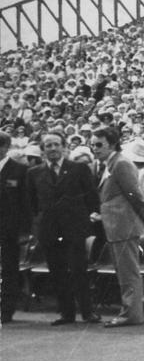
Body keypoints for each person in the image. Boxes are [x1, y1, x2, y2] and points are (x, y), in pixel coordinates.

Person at [27, 130, 101, 325]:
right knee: (57, 272)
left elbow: (91, 197)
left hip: (74, 228)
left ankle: (87, 312)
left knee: (79, 271)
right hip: (49, 230)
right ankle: (66, 314)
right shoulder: (34, 173)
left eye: (56, 144)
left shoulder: (78, 169)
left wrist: (89, 218)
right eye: (48, 145)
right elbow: (33, 203)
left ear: (64, 147)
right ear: (43, 150)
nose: (52, 148)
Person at [90, 126, 144, 328]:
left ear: (113, 144)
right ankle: (130, 312)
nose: (94, 149)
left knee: (128, 272)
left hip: (124, 227)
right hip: (115, 226)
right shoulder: (111, 163)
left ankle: (131, 314)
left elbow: (135, 195)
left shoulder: (121, 164)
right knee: (124, 272)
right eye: (92, 144)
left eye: (99, 145)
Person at [0, 130, 31, 322]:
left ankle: (6, 311)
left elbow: (25, 203)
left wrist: (25, 231)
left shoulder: (19, 170)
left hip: (9, 229)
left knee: (9, 269)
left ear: (5, 147)